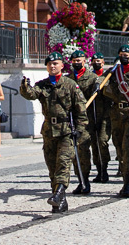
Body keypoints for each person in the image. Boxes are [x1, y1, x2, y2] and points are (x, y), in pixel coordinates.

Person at [20, 52, 89, 213]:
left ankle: (58, 194)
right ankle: (60, 200)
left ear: (62, 66)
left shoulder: (71, 84)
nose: (52, 66)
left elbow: (81, 109)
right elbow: (31, 94)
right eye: (50, 64)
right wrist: (24, 86)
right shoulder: (42, 84)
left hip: (66, 131)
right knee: (52, 166)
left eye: (56, 63)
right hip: (49, 131)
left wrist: (80, 129)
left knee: (63, 164)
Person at [103, 45, 129, 197]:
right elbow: (102, 83)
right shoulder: (114, 71)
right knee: (119, 147)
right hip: (116, 114)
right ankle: (125, 175)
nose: (124, 56)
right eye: (121, 54)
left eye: (127, 54)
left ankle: (127, 183)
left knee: (128, 147)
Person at [66, 50, 98, 194]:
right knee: (75, 152)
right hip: (73, 120)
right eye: (74, 61)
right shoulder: (69, 79)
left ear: (85, 61)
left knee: (84, 150)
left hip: (87, 120)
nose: (77, 63)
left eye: (79, 60)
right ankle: (80, 180)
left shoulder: (92, 78)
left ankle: (86, 180)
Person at [90, 52, 113, 183]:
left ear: (103, 62)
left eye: (99, 60)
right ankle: (99, 169)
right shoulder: (90, 77)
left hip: (106, 115)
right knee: (95, 144)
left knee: (102, 141)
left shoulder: (107, 76)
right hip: (92, 115)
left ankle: (105, 168)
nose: (97, 62)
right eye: (94, 61)